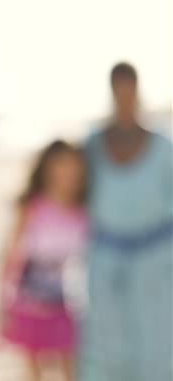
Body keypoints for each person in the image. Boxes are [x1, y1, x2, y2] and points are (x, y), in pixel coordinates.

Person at [79, 62, 173, 381]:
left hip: (158, 259)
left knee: (160, 344)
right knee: (107, 346)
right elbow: (72, 195)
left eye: (129, 90)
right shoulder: (92, 144)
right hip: (107, 260)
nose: (124, 97)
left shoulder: (162, 146)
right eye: (118, 91)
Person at [0, 140, 88, 381]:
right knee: (34, 370)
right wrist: (2, 300)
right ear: (47, 169)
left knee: (71, 367)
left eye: (73, 166)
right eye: (61, 166)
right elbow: (11, 253)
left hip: (67, 301)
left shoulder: (83, 209)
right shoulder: (33, 206)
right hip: (30, 299)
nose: (67, 173)